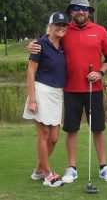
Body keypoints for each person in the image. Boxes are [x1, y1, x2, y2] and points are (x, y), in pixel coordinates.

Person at [27, 0, 107, 183]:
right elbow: (45, 41)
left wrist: (100, 72)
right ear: (71, 12)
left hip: (94, 88)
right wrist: (31, 45)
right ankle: (72, 168)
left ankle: (103, 167)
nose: (80, 12)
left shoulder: (100, 31)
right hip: (69, 90)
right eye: (76, 8)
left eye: (84, 9)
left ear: (89, 12)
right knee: (71, 130)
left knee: (98, 129)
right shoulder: (64, 30)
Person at [23, 12, 69, 187]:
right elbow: (30, 71)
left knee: (54, 137)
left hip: (57, 94)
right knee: (43, 134)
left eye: (64, 25)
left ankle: (38, 170)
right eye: (57, 24)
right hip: (41, 91)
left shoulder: (63, 44)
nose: (61, 27)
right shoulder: (40, 45)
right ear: (50, 26)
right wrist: (32, 99)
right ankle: (48, 174)